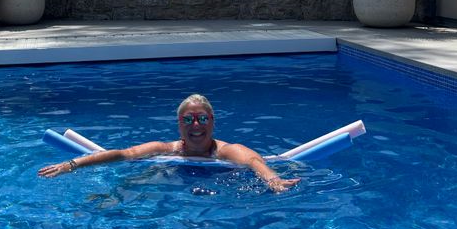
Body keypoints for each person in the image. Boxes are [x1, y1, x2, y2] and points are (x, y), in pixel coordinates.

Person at [38, 93, 301, 193]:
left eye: (201, 119)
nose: (195, 126)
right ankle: (109, 204)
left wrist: (272, 180)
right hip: (172, 178)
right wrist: (71, 164)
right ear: (179, 124)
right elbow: (122, 154)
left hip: (221, 186)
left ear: (212, 121)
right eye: (188, 120)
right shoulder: (166, 150)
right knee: (136, 182)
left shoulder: (226, 151)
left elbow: (254, 161)